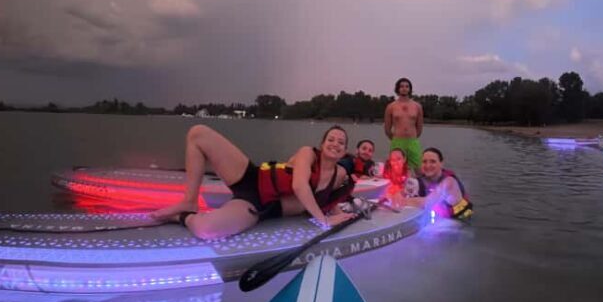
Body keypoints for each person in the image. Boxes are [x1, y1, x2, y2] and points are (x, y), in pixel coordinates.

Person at [151, 125, 356, 240]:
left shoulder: (339, 175)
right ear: (322, 144)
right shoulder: (308, 153)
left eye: (340, 142)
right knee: (198, 134)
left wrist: (342, 214)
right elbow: (299, 186)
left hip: (258, 205)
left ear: (344, 151)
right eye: (331, 139)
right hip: (250, 176)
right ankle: (190, 201)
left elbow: (329, 198)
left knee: (206, 230)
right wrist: (324, 220)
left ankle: (183, 217)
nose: (335, 144)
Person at [407, 147, 473, 220]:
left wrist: (398, 201)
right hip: (441, 221)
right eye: (424, 162)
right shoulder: (420, 180)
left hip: (459, 222)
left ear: (441, 163)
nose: (428, 165)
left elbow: (427, 203)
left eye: (433, 161)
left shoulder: (449, 182)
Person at [383, 77, 423, 172]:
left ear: (410, 89)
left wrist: (412, 137)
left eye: (407, 86)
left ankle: (421, 186)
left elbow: (420, 128)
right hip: (397, 142)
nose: (404, 88)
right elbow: (387, 129)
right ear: (398, 89)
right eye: (401, 86)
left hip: (413, 141)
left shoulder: (417, 106)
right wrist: (395, 139)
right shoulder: (391, 107)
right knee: (395, 170)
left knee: (419, 170)